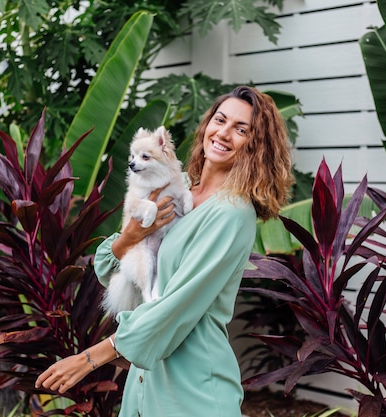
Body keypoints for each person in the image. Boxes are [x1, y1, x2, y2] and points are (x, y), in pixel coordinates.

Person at [35, 85, 294, 417]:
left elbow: (177, 304)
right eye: (220, 120)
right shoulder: (177, 188)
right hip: (146, 383)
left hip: (193, 391)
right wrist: (128, 237)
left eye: (241, 130)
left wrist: (90, 358)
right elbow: (116, 269)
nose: (224, 133)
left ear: (255, 146)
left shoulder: (231, 214)